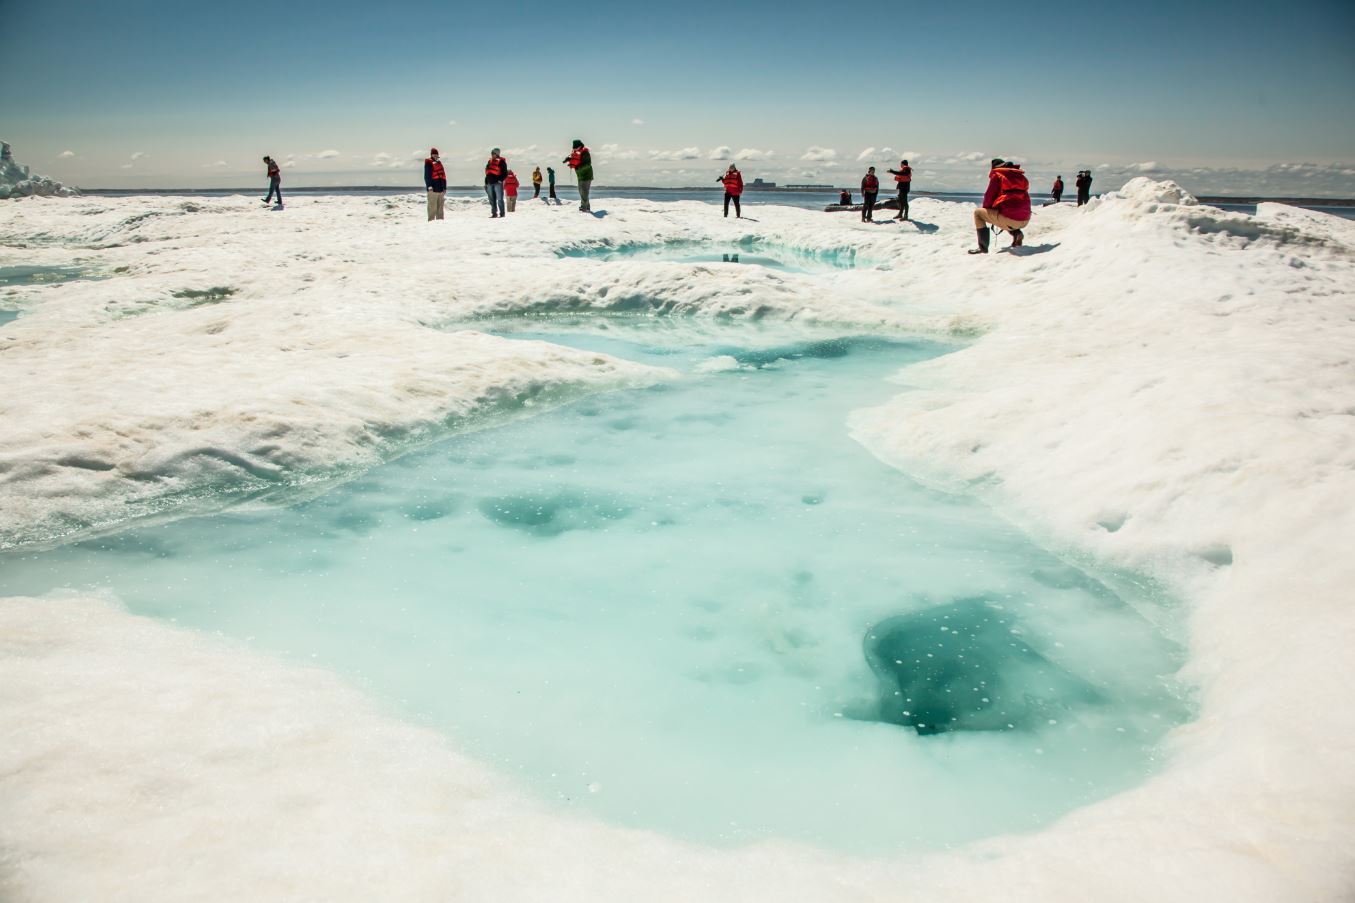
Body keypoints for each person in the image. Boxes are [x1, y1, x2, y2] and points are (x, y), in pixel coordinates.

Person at [969, 159, 1031, 254]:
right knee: (1006, 212)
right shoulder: (1019, 177)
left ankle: (982, 248)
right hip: (1025, 219)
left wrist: (988, 210)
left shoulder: (997, 176)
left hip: (1010, 219)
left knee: (978, 213)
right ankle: (1017, 233)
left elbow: (988, 197)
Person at [564, 139, 593, 212]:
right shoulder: (577, 152)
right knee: (581, 191)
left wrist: (577, 167)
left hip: (586, 175)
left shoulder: (585, 153)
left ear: (579, 146)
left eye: (575, 148)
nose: (574, 149)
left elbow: (587, 165)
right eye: (573, 148)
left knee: (584, 191)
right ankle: (587, 206)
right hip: (580, 175)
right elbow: (576, 159)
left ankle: (584, 207)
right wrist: (569, 160)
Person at [423, 148, 446, 221]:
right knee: (432, 207)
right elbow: (427, 176)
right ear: (431, 155)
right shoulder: (428, 163)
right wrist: (429, 186)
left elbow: (443, 176)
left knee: (440, 208)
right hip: (432, 189)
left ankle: (440, 222)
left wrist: (444, 188)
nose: (436, 155)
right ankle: (431, 222)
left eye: (437, 154)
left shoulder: (439, 163)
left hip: (440, 189)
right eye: (434, 154)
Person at [484, 148, 508, 218]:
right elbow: (487, 173)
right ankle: (494, 213)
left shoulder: (502, 162)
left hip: (497, 183)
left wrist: (500, 180)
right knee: (492, 199)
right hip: (489, 183)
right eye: (491, 153)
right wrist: (486, 183)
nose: (492, 154)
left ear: (497, 154)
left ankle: (502, 213)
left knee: (500, 199)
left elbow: (505, 173)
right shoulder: (489, 161)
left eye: (493, 153)